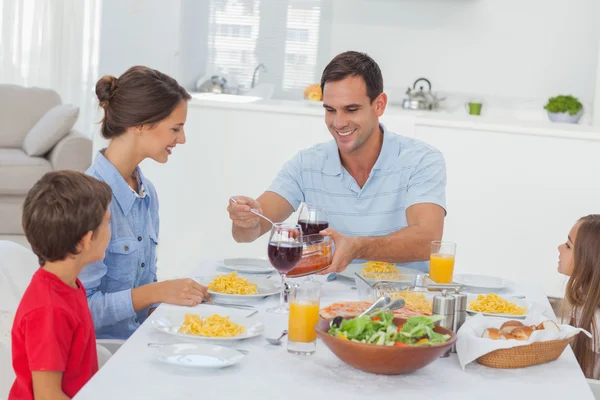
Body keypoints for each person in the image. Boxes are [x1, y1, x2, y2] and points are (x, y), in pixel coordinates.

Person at [227, 51, 447, 273]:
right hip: (326, 299)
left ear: (379, 105)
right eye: (330, 110)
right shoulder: (307, 163)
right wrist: (246, 221)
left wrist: (358, 247)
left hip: (402, 302)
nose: (338, 123)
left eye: (351, 109)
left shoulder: (421, 160)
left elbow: (427, 240)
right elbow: (247, 234)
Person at [79, 66, 210, 340]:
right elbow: (81, 311)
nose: (182, 139)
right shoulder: (87, 200)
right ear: (139, 124)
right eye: (176, 128)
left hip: (139, 342)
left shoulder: (146, 193)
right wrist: (157, 292)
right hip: (101, 357)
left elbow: (141, 300)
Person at [9, 171, 112, 399]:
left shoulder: (69, 284)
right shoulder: (50, 310)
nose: (110, 232)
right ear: (86, 240)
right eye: (108, 223)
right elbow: (47, 396)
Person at [558, 214, 600, 379]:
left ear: (587, 260)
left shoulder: (596, 321)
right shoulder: (583, 297)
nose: (559, 247)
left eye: (568, 245)